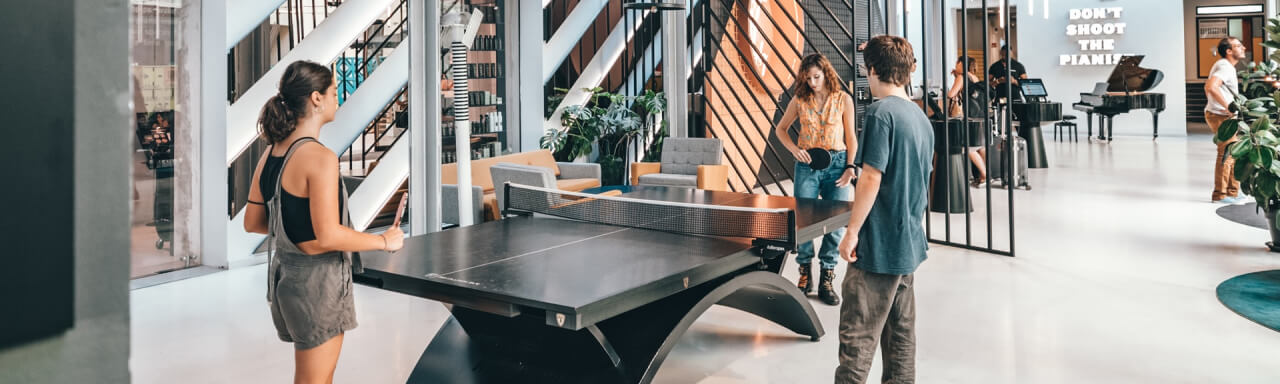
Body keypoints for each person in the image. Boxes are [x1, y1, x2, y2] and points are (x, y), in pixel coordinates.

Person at [242, 60, 405, 384]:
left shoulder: (273, 152)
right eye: (333, 92)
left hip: (286, 282)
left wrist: (305, 234)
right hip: (318, 286)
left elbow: (254, 221)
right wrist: (384, 241)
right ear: (316, 99)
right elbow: (328, 235)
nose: (337, 100)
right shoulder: (320, 158)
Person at [835, 35, 933, 383]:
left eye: (866, 70)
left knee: (857, 340)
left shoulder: (880, 114)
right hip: (907, 243)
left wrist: (851, 232)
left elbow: (871, 178)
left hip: (877, 247)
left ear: (873, 69)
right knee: (901, 339)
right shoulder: (919, 118)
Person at [775, 53, 859, 306]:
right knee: (803, 223)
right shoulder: (800, 99)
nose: (812, 82)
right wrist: (793, 149)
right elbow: (781, 129)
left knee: (835, 224)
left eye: (817, 77)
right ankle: (804, 274)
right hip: (807, 166)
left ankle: (827, 276)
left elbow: (851, 137)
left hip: (838, 165)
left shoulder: (843, 99)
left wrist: (850, 167)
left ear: (826, 73)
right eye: (808, 78)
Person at [1206, 36, 1246, 204]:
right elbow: (1210, 86)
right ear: (1229, 51)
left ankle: (1232, 191)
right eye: (1238, 45)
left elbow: (1210, 87)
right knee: (1226, 154)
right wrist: (1228, 107)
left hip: (1223, 116)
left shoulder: (1227, 66)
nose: (1243, 47)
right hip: (1221, 117)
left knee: (1232, 154)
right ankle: (1220, 195)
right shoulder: (1224, 66)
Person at [947, 56, 988, 186]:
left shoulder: (962, 77)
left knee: (968, 147)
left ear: (961, 64)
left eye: (957, 63)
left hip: (970, 115)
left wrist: (956, 79)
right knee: (980, 145)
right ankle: (986, 175)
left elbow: (951, 94)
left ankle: (984, 174)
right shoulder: (974, 77)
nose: (955, 65)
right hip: (981, 114)